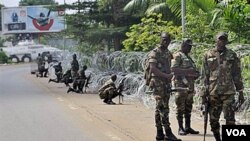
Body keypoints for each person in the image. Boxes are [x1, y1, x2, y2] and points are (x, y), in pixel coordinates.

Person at [201, 31, 245, 141]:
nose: (222, 41)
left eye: (224, 39)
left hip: (228, 92)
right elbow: (204, 76)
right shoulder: (208, 55)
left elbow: (237, 74)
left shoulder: (232, 55)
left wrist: (240, 92)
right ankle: (217, 139)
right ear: (216, 39)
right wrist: (203, 95)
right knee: (213, 120)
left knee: (230, 120)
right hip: (213, 93)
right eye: (220, 39)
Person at [147, 32, 181, 141]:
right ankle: (168, 132)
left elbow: (171, 66)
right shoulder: (155, 52)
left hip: (165, 83)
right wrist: (166, 75)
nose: (165, 41)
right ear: (160, 39)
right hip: (157, 83)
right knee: (163, 108)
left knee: (159, 108)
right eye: (163, 39)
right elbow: (153, 68)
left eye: (167, 40)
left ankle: (159, 133)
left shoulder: (167, 53)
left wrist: (171, 76)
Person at [171, 39, 200, 135]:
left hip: (190, 86)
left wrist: (195, 74)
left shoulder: (188, 57)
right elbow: (174, 69)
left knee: (188, 107)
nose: (190, 48)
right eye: (188, 46)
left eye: (191, 46)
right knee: (180, 107)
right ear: (183, 45)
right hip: (181, 86)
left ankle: (187, 127)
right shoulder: (178, 55)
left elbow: (191, 71)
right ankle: (180, 128)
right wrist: (188, 72)